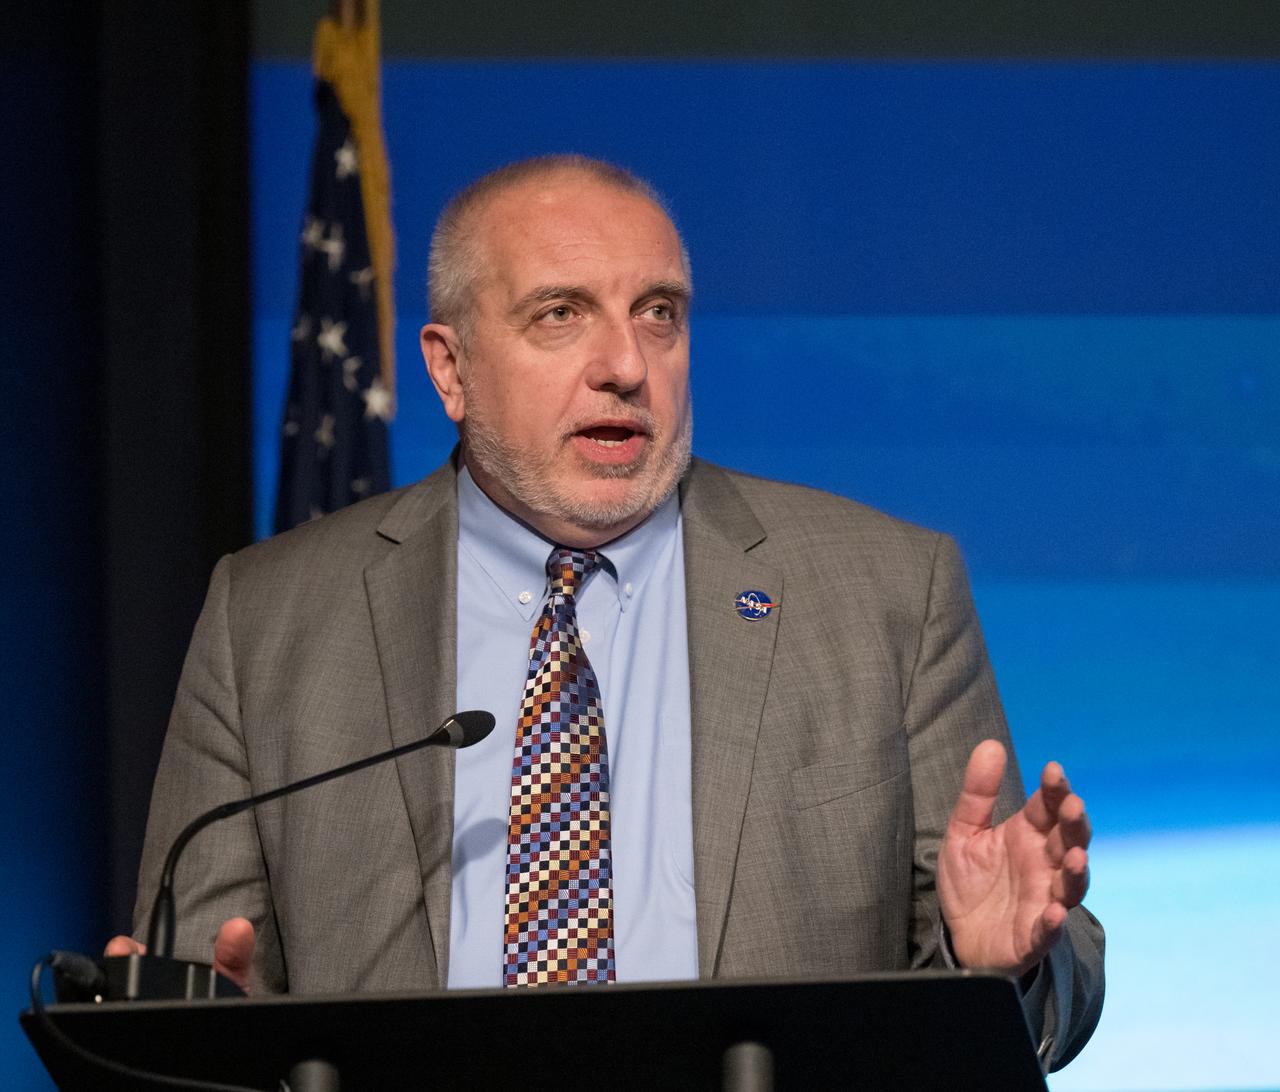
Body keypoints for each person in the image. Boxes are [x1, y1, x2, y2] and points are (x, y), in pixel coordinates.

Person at [109, 155, 1103, 1069]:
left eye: (658, 313)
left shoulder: (887, 593)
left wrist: (1000, 966)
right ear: (449, 370)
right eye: (559, 314)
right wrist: (204, 1037)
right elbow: (205, 984)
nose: (624, 364)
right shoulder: (268, 618)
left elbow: (1031, 980)